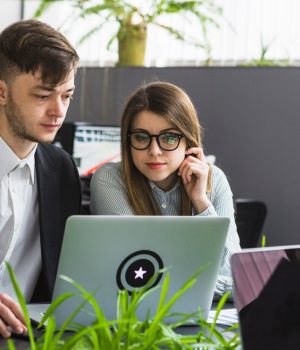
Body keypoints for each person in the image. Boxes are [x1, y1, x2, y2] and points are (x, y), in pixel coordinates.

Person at [90, 81, 241, 298]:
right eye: (141, 137)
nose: (154, 151)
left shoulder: (214, 179)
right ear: (128, 140)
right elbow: (140, 275)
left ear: (188, 141)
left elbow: (235, 276)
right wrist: (205, 284)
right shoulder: (110, 179)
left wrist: (200, 201)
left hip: (206, 318)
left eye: (169, 138)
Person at [0, 19, 81, 337]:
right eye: (43, 96)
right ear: (2, 92)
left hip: (26, 336)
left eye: (67, 96)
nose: (58, 111)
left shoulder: (60, 169)